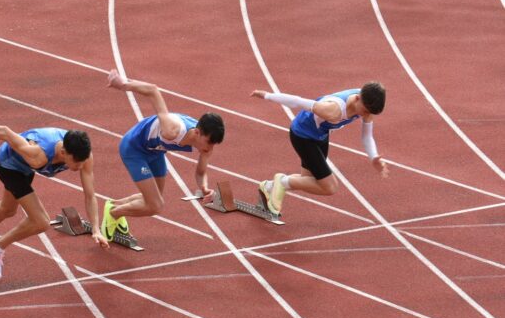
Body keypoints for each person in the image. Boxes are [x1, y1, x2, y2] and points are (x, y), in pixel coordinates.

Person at [0, 124, 108, 279]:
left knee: (7, 209)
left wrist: (96, 229)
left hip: (25, 169)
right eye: (77, 162)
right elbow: (4, 131)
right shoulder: (39, 153)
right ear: (63, 152)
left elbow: (90, 195)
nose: (81, 166)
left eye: (83, 161)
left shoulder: (84, 156)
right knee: (41, 222)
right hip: (7, 165)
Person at [102, 70, 225, 240]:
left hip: (156, 151)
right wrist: (123, 85)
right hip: (134, 148)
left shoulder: (207, 145)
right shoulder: (172, 129)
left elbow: (201, 172)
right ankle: (114, 214)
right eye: (209, 142)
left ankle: (113, 205)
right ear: (197, 133)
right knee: (155, 206)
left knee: (154, 198)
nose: (210, 148)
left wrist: (204, 188)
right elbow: (153, 91)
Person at [250, 84, 389, 215]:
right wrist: (267, 95)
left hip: (321, 135)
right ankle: (281, 182)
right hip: (303, 136)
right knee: (330, 187)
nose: (366, 115)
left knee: (308, 180)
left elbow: (366, 136)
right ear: (358, 98)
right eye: (365, 111)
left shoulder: (368, 102)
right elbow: (297, 101)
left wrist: (373, 157)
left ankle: (268, 187)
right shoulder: (333, 109)